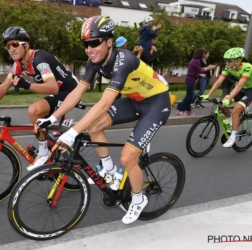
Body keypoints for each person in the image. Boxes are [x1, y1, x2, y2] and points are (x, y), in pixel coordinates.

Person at [35, 15, 171, 225]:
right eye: (86, 44)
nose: (89, 49)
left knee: (127, 158)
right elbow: (77, 93)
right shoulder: (93, 61)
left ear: (109, 42)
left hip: (156, 103)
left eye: (94, 42)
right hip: (135, 99)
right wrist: (52, 117)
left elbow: (104, 104)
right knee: (94, 125)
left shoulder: (124, 59)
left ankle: (138, 198)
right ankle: (110, 173)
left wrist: (72, 133)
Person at [0, 26, 78, 170]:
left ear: (25, 45)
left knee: (34, 110)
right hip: (58, 92)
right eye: (8, 46)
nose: (11, 49)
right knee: (39, 120)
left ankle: (44, 152)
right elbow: (3, 87)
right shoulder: (19, 64)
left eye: (15, 44)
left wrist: (26, 85)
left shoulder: (39, 60)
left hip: (71, 91)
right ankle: (51, 146)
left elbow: (53, 87)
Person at [201, 47, 252, 148]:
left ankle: (232, 137)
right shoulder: (228, 68)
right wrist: (208, 94)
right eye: (226, 61)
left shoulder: (247, 67)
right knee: (222, 104)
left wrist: (229, 97)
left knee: (236, 110)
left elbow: (239, 85)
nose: (227, 63)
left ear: (238, 60)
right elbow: (219, 81)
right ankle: (231, 121)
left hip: (250, 90)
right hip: (242, 90)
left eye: (229, 61)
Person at [176, 48, 216, 116]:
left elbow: (196, 71)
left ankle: (188, 110)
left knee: (190, 96)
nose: (205, 54)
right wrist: (208, 68)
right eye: (204, 53)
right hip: (190, 79)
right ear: (201, 54)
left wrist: (202, 72)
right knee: (189, 96)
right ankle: (180, 109)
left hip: (192, 79)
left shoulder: (195, 60)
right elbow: (200, 70)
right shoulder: (196, 61)